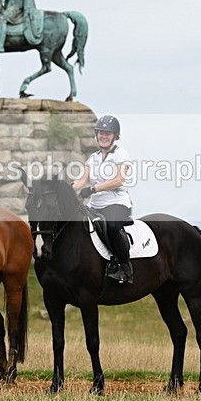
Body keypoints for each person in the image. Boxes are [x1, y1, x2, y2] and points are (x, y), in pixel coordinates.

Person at [72, 115, 134, 284]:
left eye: (108, 133)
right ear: (97, 134)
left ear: (115, 136)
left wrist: (93, 189)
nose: (104, 136)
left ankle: (125, 268)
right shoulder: (93, 158)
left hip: (116, 203)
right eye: (101, 133)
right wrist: (66, 189)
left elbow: (118, 180)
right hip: (95, 205)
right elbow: (82, 180)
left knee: (112, 226)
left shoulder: (121, 154)